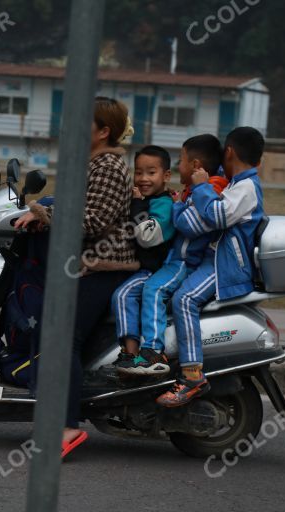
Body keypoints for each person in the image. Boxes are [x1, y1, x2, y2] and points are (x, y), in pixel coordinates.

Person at [15, 97, 138, 458]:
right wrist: (44, 209)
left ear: (103, 131)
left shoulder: (109, 167)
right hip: (83, 263)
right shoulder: (92, 162)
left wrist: (45, 213)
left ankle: (66, 426)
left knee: (63, 336)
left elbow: (93, 221)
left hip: (101, 266)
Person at [157, 127, 266, 407]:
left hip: (227, 266)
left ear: (229, 152)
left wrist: (201, 186)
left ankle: (193, 376)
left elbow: (216, 215)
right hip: (215, 259)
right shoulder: (234, 183)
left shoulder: (246, 187)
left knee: (185, 299)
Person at [113, 135, 228, 375]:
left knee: (154, 290)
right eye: (139, 172)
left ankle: (153, 351)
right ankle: (129, 354)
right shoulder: (184, 193)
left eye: (182, 160)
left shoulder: (182, 198)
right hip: (166, 262)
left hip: (181, 263)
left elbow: (161, 231)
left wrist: (166, 204)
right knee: (122, 294)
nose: (143, 178)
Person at [110, 145, 175, 366]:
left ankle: (131, 354)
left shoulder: (164, 205)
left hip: (155, 269)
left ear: (166, 175)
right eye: (138, 172)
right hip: (142, 266)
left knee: (123, 295)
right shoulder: (147, 199)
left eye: (151, 172)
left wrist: (137, 204)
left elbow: (147, 236)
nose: (143, 178)